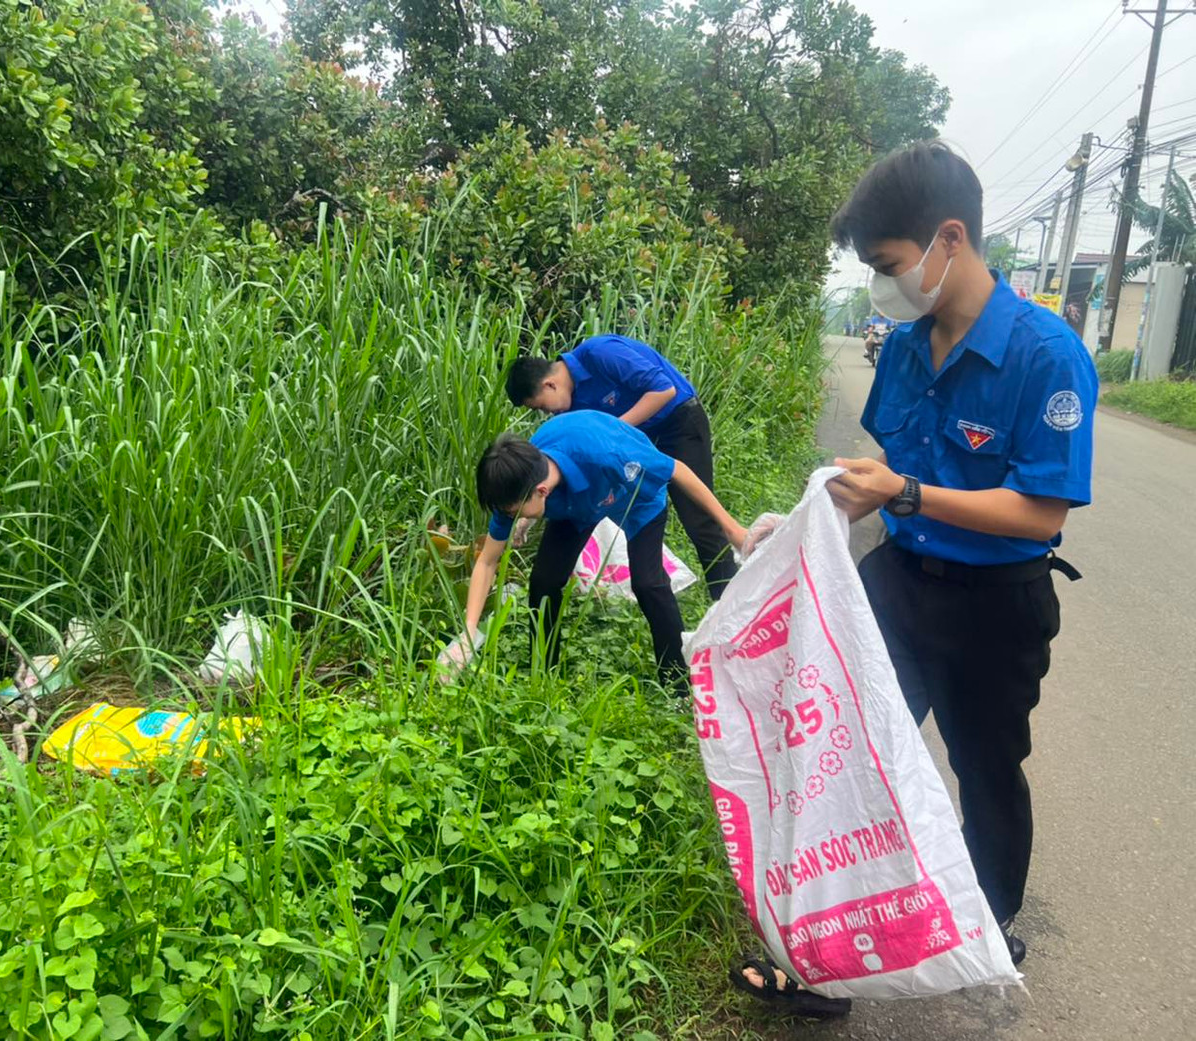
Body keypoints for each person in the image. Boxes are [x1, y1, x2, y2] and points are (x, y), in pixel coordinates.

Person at [734, 140, 1097, 1015]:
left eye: (890, 265)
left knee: (985, 764)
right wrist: (812, 520)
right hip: (899, 583)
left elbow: (1042, 513)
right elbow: (884, 473)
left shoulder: (1046, 356)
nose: (884, 286)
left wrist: (910, 491)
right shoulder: (902, 346)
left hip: (998, 606)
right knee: (846, 757)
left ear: (949, 239)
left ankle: (983, 919)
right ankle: (822, 955)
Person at [439, 410, 748, 693]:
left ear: (541, 491)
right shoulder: (515, 483)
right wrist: (467, 633)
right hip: (576, 509)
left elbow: (677, 469)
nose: (510, 517)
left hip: (635, 498)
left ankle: (678, 684)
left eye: (514, 513)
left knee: (648, 584)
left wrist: (731, 529)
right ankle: (544, 675)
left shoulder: (609, 455)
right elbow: (487, 561)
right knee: (544, 582)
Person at [504, 334, 739, 600]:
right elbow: (555, 468)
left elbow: (663, 390)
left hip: (677, 423)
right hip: (635, 440)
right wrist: (525, 514)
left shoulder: (600, 353)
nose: (547, 414)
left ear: (549, 384)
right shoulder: (569, 409)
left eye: (542, 407)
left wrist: (611, 432)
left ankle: (729, 605)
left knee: (699, 520)